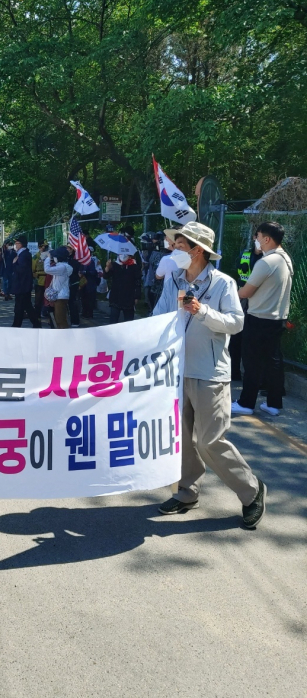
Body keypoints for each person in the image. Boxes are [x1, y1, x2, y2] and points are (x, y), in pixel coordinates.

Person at [153, 222, 266, 529]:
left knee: (209, 441)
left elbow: (235, 323)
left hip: (209, 373)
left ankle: (251, 491)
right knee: (183, 440)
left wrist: (202, 311)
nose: (174, 250)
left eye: (180, 246)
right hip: (176, 371)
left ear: (197, 250)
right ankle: (187, 491)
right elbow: (159, 313)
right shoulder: (173, 280)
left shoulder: (222, 283)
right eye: (174, 245)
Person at [232, 222, 294, 416]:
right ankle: (273, 404)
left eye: (257, 237)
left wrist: (235, 291)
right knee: (273, 362)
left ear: (266, 239)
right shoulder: (285, 259)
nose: (256, 241)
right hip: (278, 318)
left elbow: (246, 291)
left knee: (252, 362)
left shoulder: (266, 262)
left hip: (259, 318)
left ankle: (246, 403)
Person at [229, 240, 263, 380]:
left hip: (256, 300)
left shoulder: (267, 259)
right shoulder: (246, 254)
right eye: (258, 237)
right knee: (236, 337)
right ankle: (234, 372)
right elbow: (238, 272)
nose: (259, 241)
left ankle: (260, 379)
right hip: (242, 297)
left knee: (252, 341)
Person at [103, 248, 141, 323]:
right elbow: (106, 276)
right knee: (113, 319)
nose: (123, 255)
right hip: (116, 296)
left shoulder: (134, 266)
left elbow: (138, 282)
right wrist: (107, 268)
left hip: (129, 297)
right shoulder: (114, 265)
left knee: (128, 321)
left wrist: (137, 296)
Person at [11, 236, 41, 328]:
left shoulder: (24, 254)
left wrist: (14, 263)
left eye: (17, 243)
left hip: (22, 284)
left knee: (21, 305)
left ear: (21, 244)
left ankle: (17, 324)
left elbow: (21, 269)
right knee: (26, 305)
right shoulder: (21, 254)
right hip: (22, 284)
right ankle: (34, 323)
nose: (16, 245)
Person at [43, 246, 71, 328]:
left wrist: (48, 258)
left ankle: (64, 337)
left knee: (60, 320)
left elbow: (47, 269)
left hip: (60, 296)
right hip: (61, 295)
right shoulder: (63, 266)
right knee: (60, 318)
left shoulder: (62, 267)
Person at [66, 245, 82, 328]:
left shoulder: (75, 260)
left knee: (72, 302)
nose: (67, 249)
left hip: (73, 283)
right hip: (65, 283)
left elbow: (76, 270)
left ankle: (75, 321)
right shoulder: (65, 259)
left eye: (69, 248)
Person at [33, 243, 49, 314]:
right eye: (43, 246)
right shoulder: (36, 257)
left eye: (46, 246)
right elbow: (33, 268)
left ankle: (46, 312)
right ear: (39, 247)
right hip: (39, 279)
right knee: (38, 298)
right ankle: (37, 313)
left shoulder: (49, 255)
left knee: (48, 297)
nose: (45, 248)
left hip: (48, 279)